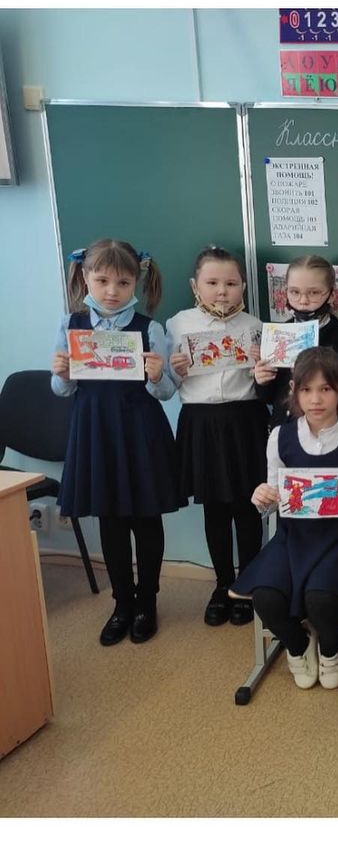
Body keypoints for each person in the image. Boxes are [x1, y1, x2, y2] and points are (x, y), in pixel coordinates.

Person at [51, 239, 181, 646]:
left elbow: (167, 392)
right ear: (85, 276)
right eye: (102, 280)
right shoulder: (71, 324)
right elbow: (61, 389)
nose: (112, 291)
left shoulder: (149, 328)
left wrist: (157, 374)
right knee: (110, 520)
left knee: (146, 519)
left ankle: (147, 602)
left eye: (123, 283)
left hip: (140, 431)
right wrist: (62, 373)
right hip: (96, 432)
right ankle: (122, 603)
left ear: (135, 283)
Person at [236, 347, 338, 690]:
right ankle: (298, 645)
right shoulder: (280, 436)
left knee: (322, 599)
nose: (315, 399)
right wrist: (263, 497)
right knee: (265, 596)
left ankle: (331, 649)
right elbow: (273, 496)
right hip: (293, 537)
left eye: (325, 389)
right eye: (306, 389)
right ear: (294, 391)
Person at [165, 245, 268, 627]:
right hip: (201, 422)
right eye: (212, 283)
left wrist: (262, 368)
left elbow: (266, 387)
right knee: (215, 509)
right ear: (195, 286)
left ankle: (248, 584)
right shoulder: (178, 324)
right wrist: (175, 370)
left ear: (243, 286)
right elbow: (166, 384)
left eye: (231, 283)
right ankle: (223, 583)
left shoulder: (255, 326)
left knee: (248, 506)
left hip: (245, 420)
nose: (222, 291)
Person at [253, 254, 338, 428]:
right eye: (294, 292)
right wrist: (262, 381)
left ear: (331, 295)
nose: (303, 301)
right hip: (286, 430)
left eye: (314, 293)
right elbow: (268, 397)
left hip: (331, 431)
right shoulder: (276, 336)